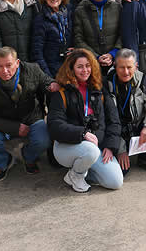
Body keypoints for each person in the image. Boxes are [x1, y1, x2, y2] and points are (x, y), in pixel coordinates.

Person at [48, 50, 123, 192]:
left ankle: (82, 170)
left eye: (88, 66)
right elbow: (54, 125)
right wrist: (82, 134)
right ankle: (76, 175)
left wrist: (110, 145)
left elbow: (114, 120)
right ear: (71, 69)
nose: (85, 70)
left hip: (95, 147)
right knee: (91, 150)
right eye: (80, 66)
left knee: (115, 181)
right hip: (66, 146)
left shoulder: (100, 89)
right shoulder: (61, 93)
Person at [0, 47, 57, 181]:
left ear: (17, 63)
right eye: (0, 66)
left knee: (44, 140)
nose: (4, 71)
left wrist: (52, 85)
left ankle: (28, 157)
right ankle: (4, 162)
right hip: (4, 122)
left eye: (9, 65)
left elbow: (46, 81)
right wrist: (14, 127)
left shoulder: (32, 69)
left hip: (31, 118)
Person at [104, 49, 146, 174]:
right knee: (122, 172)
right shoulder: (107, 83)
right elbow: (107, 119)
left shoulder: (143, 79)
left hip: (136, 126)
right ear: (115, 65)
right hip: (117, 131)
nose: (126, 72)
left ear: (136, 66)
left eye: (129, 67)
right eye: (121, 67)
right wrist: (120, 149)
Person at [73, 0, 122, 75]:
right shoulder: (80, 10)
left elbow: (123, 34)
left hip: (114, 62)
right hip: (90, 63)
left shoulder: (117, 8)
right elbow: (78, 38)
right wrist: (96, 57)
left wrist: (112, 54)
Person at [32, 0, 72, 78]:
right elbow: (37, 53)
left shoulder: (69, 14)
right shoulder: (40, 20)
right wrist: (49, 78)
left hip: (70, 67)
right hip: (52, 71)